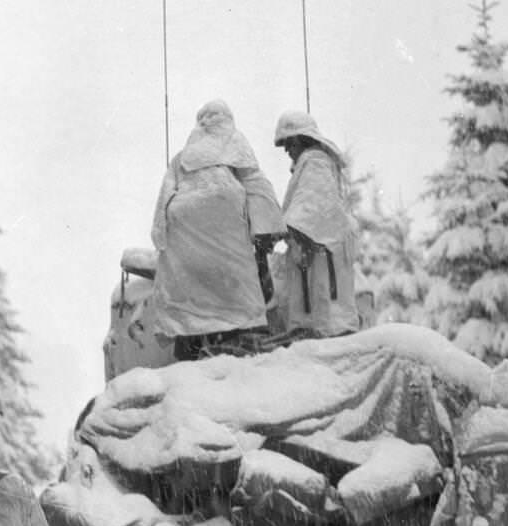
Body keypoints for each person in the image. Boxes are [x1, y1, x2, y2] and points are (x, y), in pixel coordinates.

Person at [149, 99, 284, 360]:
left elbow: (164, 199)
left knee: (189, 301)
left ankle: (191, 342)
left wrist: (160, 236)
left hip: (184, 227)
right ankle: (239, 336)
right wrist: (269, 233)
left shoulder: (182, 156)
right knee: (241, 299)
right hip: (226, 223)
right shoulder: (235, 143)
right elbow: (258, 187)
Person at [273, 110, 359, 337]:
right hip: (322, 248)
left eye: (289, 145)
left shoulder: (315, 162)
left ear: (300, 139)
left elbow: (312, 210)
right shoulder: (313, 162)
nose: (287, 151)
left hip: (322, 251)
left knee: (328, 315)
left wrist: (286, 228)